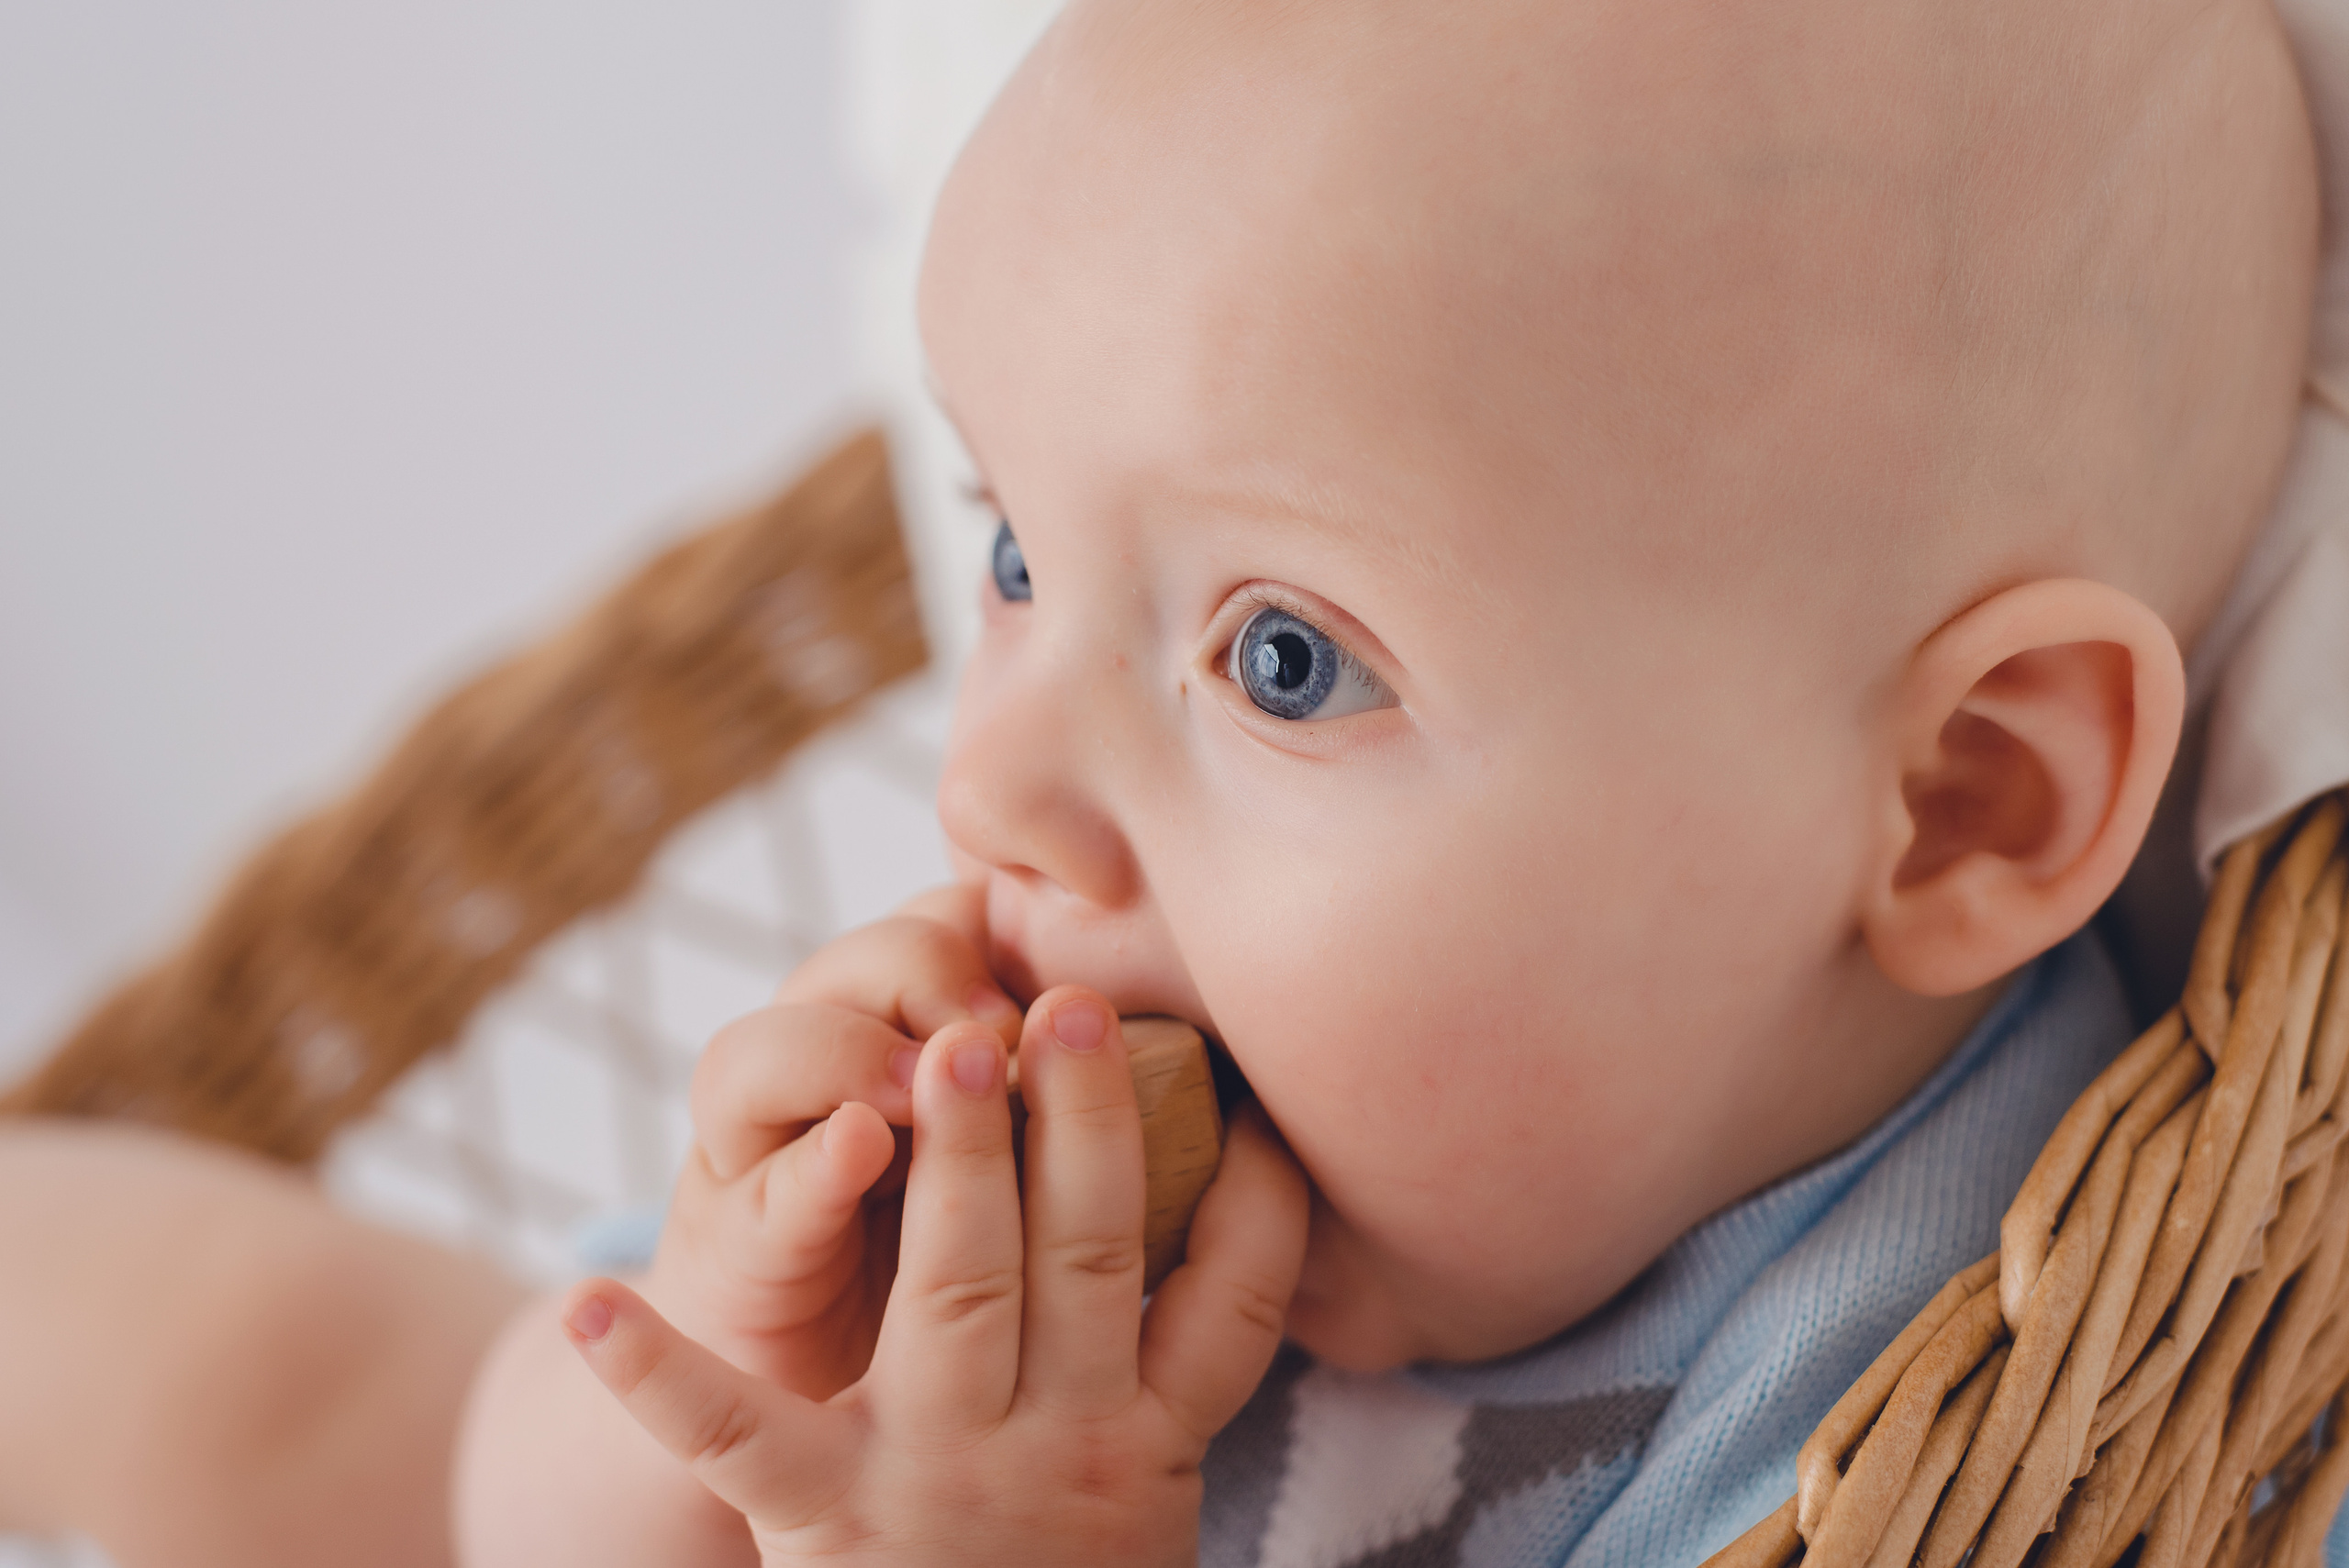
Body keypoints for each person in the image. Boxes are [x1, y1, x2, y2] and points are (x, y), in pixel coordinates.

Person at [0, 0, 2332, 1562]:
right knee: (332, 1386)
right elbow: (506, 1520)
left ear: (1964, 804)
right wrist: (731, 1392)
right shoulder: (1159, 1150)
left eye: (1284, 660)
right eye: (1013, 551)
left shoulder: (1988, 1394)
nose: (990, 780)